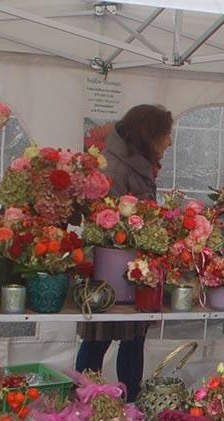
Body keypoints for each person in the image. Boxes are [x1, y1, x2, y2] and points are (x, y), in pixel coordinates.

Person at [76, 104, 173, 403]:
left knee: (133, 339)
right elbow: (106, 222)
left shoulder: (136, 162)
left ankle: (130, 404)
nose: (169, 142)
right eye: (166, 135)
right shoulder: (115, 168)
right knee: (99, 337)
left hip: (135, 269)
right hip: (112, 271)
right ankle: (85, 402)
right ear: (149, 135)